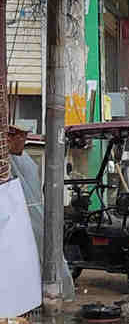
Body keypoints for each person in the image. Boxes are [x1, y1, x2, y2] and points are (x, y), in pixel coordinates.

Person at [7, 125, 75, 298]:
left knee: (42, 255)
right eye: (21, 137)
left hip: (31, 214)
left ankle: (52, 293)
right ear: (9, 138)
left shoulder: (24, 161)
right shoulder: (11, 161)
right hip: (22, 215)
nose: (23, 142)